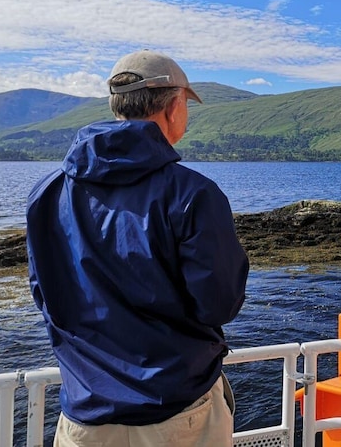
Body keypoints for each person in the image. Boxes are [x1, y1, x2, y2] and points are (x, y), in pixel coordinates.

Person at [26, 50, 249, 447]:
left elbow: (44, 294)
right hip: (179, 416)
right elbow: (219, 305)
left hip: (84, 416)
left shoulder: (47, 193)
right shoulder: (193, 195)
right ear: (175, 105)